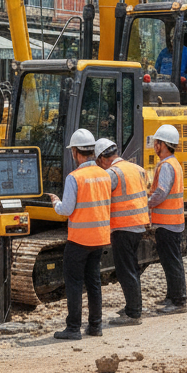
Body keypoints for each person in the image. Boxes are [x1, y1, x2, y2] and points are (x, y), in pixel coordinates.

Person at [47, 128, 112, 339]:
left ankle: (73, 327)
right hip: (100, 238)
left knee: (74, 283)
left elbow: (66, 210)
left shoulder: (74, 178)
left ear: (75, 152)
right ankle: (95, 326)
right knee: (93, 282)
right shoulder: (105, 175)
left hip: (79, 240)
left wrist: (56, 203)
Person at [95, 137, 150, 325]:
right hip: (139, 225)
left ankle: (134, 313)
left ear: (102, 158)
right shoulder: (137, 168)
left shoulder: (112, 173)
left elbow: (102, 199)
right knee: (132, 268)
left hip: (122, 227)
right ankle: (133, 306)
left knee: (126, 271)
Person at [148, 124, 187, 313]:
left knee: (172, 262)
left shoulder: (166, 166)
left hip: (168, 223)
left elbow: (161, 192)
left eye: (156, 142)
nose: (154, 146)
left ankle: (178, 301)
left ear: (162, 144)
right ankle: (172, 296)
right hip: (172, 222)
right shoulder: (174, 163)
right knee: (171, 261)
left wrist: (146, 203)